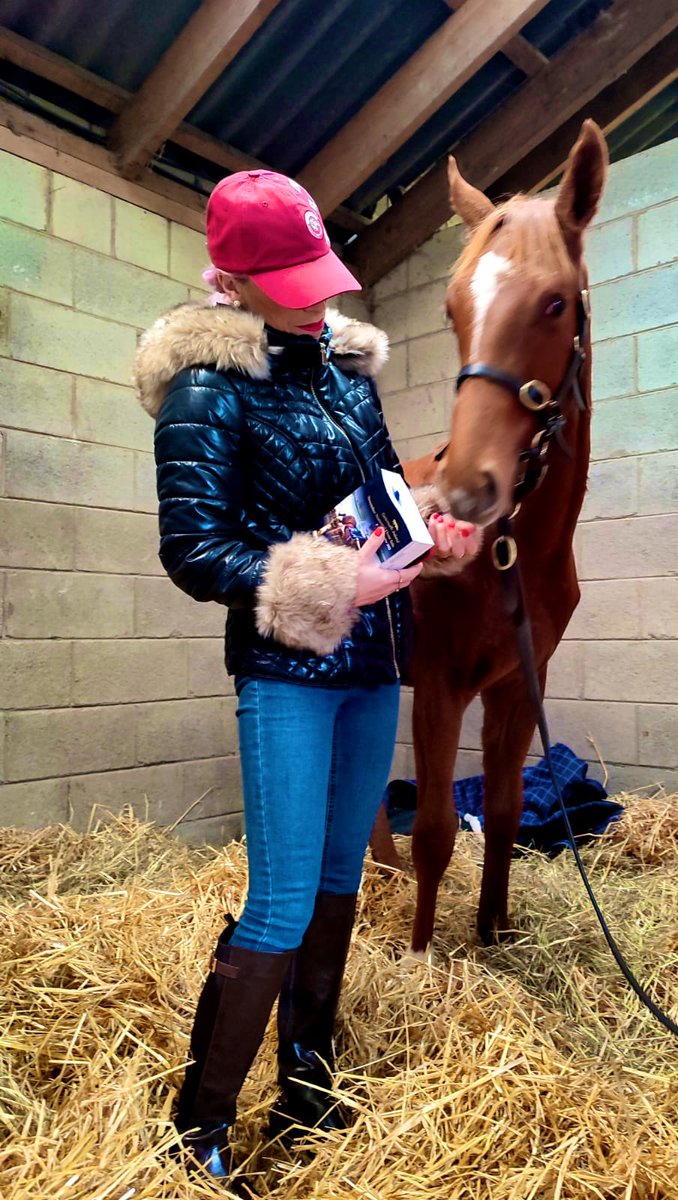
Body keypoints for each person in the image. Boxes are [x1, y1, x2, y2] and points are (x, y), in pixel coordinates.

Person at [134, 169, 479, 1186]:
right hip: (288, 669)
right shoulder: (206, 388)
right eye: (294, 279)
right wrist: (338, 581)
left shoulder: (343, 373)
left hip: (372, 664)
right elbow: (194, 549)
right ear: (237, 278)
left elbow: (378, 497)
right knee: (281, 901)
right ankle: (196, 1131)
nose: (320, 296)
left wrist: (430, 542)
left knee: (340, 881)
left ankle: (308, 1076)